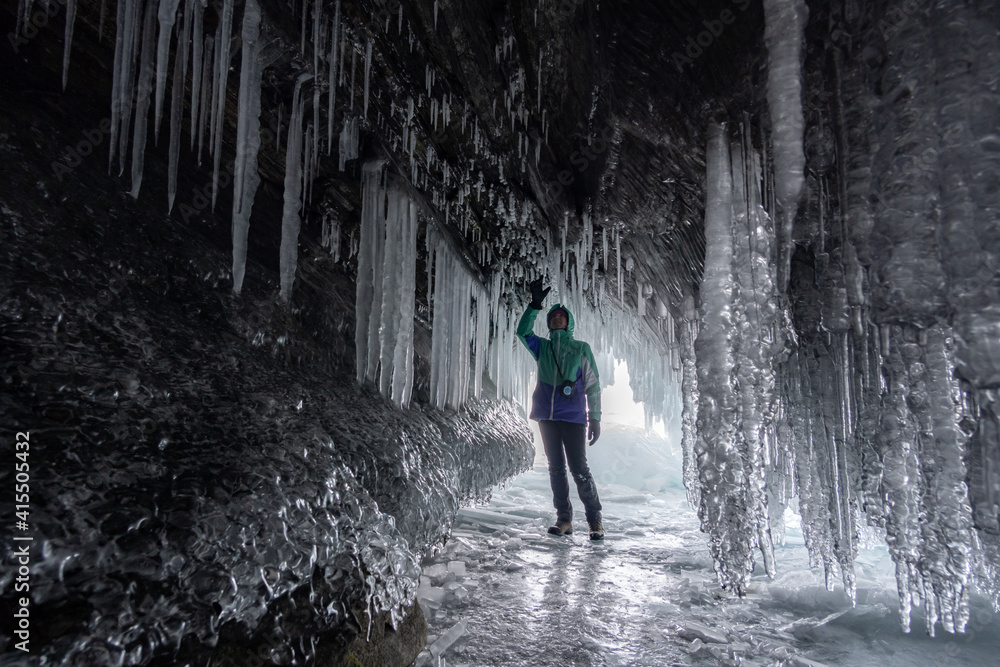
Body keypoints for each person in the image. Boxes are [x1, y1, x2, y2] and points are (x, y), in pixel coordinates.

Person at [517, 278, 605, 540]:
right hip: (547, 416)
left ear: (569, 323)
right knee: (556, 468)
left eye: (561, 317)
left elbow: (593, 386)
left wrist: (595, 418)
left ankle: (595, 521)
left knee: (579, 470)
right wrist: (534, 306)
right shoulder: (542, 347)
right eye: (553, 317)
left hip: (574, 418)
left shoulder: (580, 349)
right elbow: (523, 333)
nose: (557, 320)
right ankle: (564, 519)